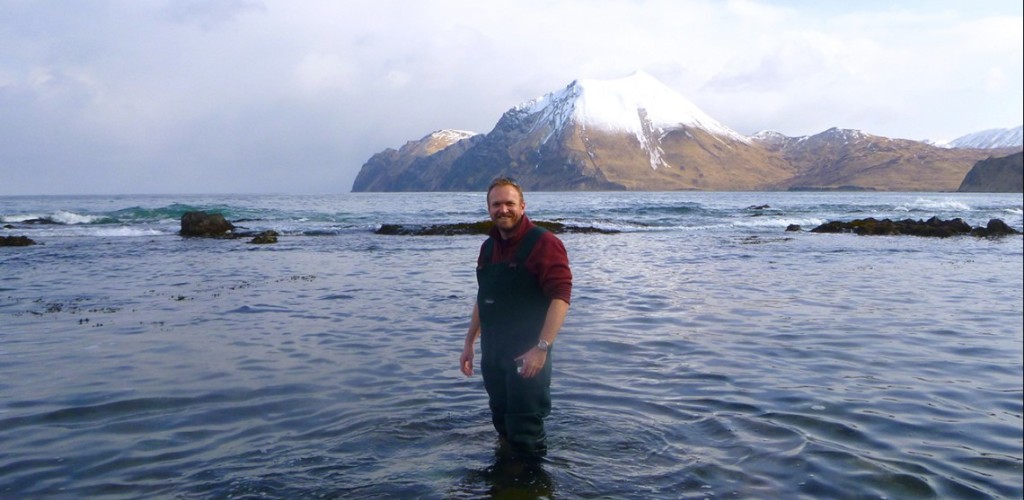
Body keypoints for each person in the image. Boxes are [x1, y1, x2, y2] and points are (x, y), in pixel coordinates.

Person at [460, 177, 572, 457]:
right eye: (496, 204)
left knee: (526, 433)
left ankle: (532, 487)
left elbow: (561, 297)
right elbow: (483, 297)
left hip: (528, 354)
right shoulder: (488, 247)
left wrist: (542, 348)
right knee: (501, 422)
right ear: (489, 209)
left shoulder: (544, 243)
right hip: (494, 353)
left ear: (522, 206)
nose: (503, 209)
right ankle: (504, 480)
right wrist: (469, 343)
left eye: (510, 203)